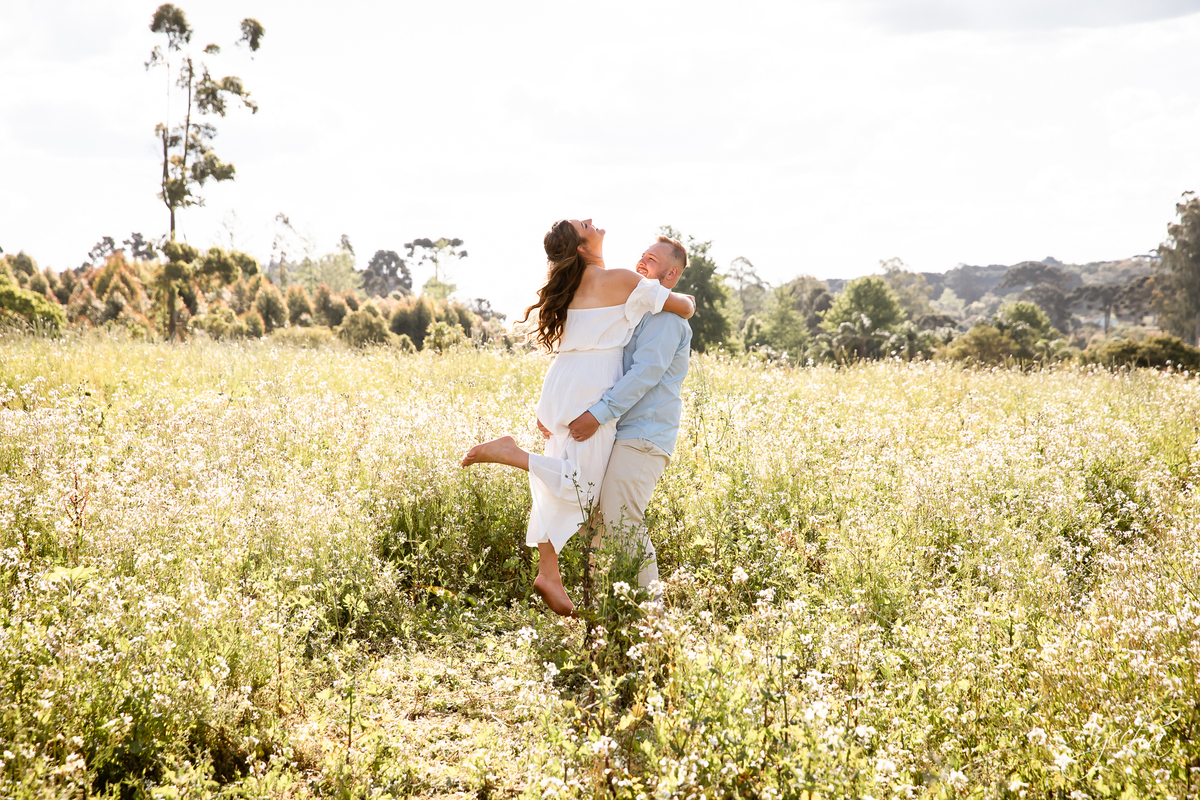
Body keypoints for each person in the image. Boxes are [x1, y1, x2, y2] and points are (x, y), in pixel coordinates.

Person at [460, 219, 695, 616]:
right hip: (592, 392)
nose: (640, 260)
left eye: (650, 258)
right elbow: (684, 306)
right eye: (584, 225)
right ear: (583, 248)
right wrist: (597, 412)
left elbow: (641, 360)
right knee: (582, 489)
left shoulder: (578, 288)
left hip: (565, 387)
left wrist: (557, 407)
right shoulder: (622, 284)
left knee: (578, 492)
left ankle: (551, 572)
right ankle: (512, 455)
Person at [565, 236, 691, 600]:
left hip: (643, 437)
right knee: (596, 524)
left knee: (622, 521)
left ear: (670, 274)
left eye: (650, 260)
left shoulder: (666, 318)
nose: (641, 263)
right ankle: (603, 614)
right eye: (641, 256)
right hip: (617, 433)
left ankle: (655, 626)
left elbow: (645, 374)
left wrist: (597, 414)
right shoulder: (635, 312)